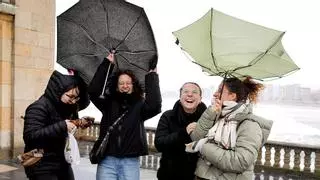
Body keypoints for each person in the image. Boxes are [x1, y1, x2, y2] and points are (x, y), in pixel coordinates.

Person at [88, 54, 162, 180]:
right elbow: (93, 92)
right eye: (121, 83)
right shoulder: (108, 103)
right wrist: (107, 64)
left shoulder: (140, 105)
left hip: (130, 161)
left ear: (133, 85)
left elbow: (155, 106)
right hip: (107, 160)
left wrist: (152, 76)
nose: (125, 85)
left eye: (128, 83)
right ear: (116, 86)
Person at [186, 77, 273, 180]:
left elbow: (240, 162)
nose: (215, 94)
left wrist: (203, 146)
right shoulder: (216, 115)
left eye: (220, 90)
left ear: (232, 96)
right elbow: (195, 137)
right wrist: (210, 114)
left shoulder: (250, 125)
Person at [23, 70, 91, 180]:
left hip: (61, 160)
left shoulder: (65, 107)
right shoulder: (38, 107)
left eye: (76, 98)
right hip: (40, 162)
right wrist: (62, 126)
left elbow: (83, 103)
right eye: (70, 96)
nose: (73, 101)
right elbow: (30, 136)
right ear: (58, 91)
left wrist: (79, 122)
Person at [154, 82, 207, 180]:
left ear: (200, 99)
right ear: (180, 97)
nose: (190, 94)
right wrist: (183, 133)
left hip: (197, 176)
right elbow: (159, 144)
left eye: (194, 92)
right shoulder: (168, 116)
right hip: (169, 175)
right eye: (185, 91)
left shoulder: (207, 119)